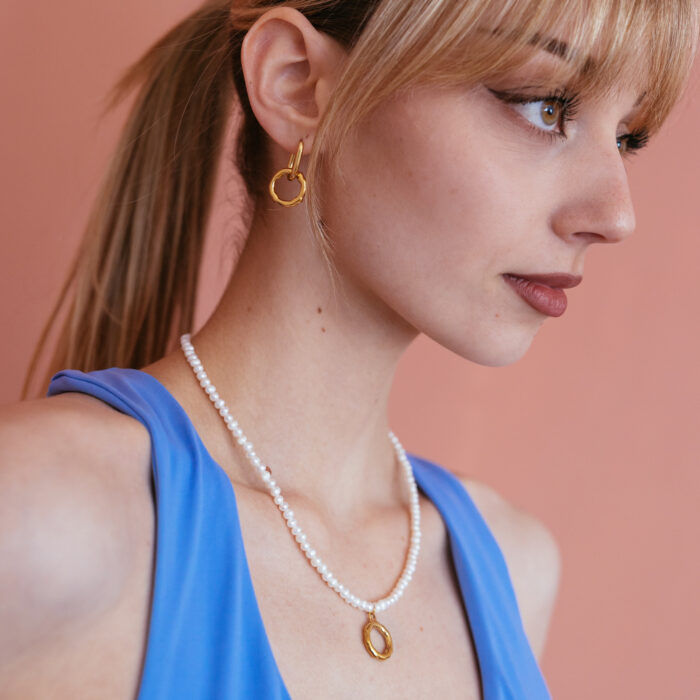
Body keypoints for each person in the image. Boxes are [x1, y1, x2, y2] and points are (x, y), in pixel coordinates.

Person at [2, 0, 698, 697]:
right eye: (544, 105)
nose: (617, 215)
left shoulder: (513, 571)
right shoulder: (41, 521)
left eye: (627, 137)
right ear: (296, 84)